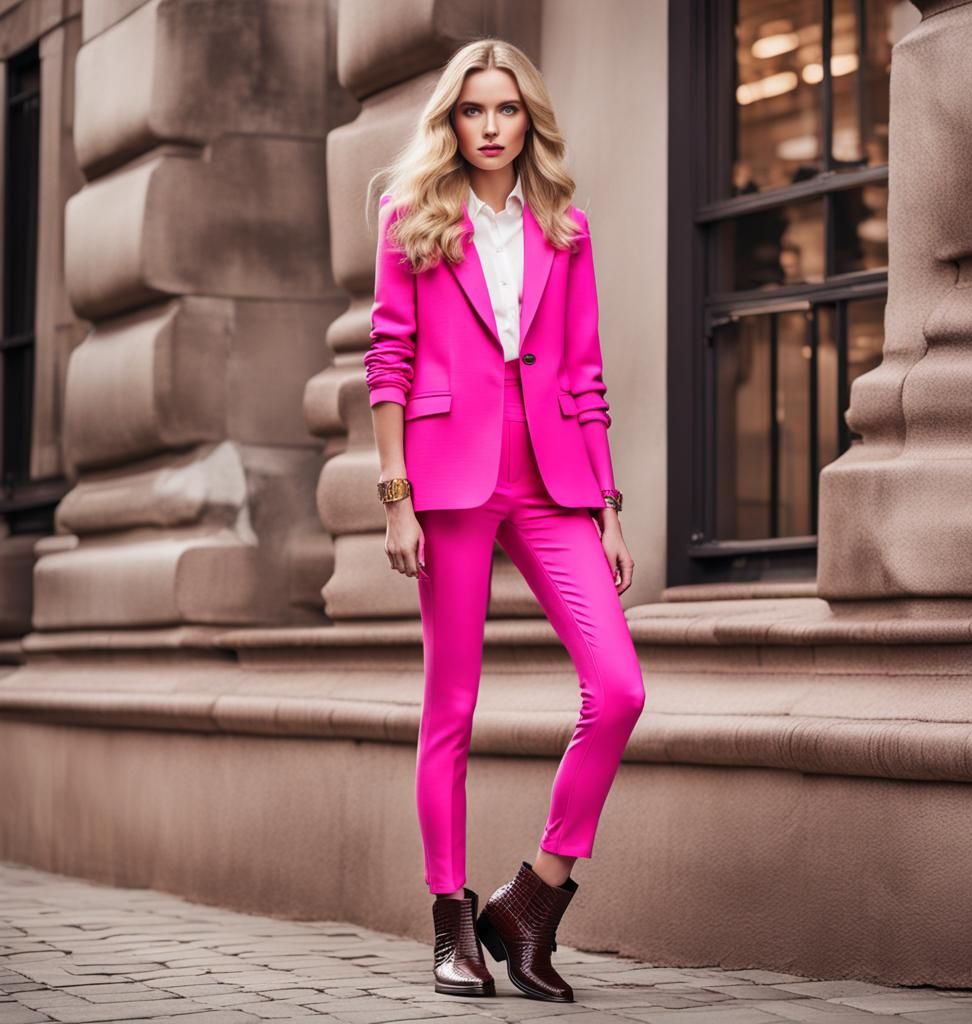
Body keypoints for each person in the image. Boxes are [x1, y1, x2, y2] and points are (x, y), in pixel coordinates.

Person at [363, 38, 646, 1004]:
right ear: (452, 121)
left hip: (553, 479)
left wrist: (606, 505)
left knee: (619, 689)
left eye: (507, 110)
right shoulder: (412, 220)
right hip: (448, 484)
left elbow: (585, 375)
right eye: (474, 111)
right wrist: (396, 497)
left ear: (530, 120)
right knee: (451, 709)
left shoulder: (566, 230)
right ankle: (452, 922)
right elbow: (388, 362)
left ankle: (531, 903)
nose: (491, 128)